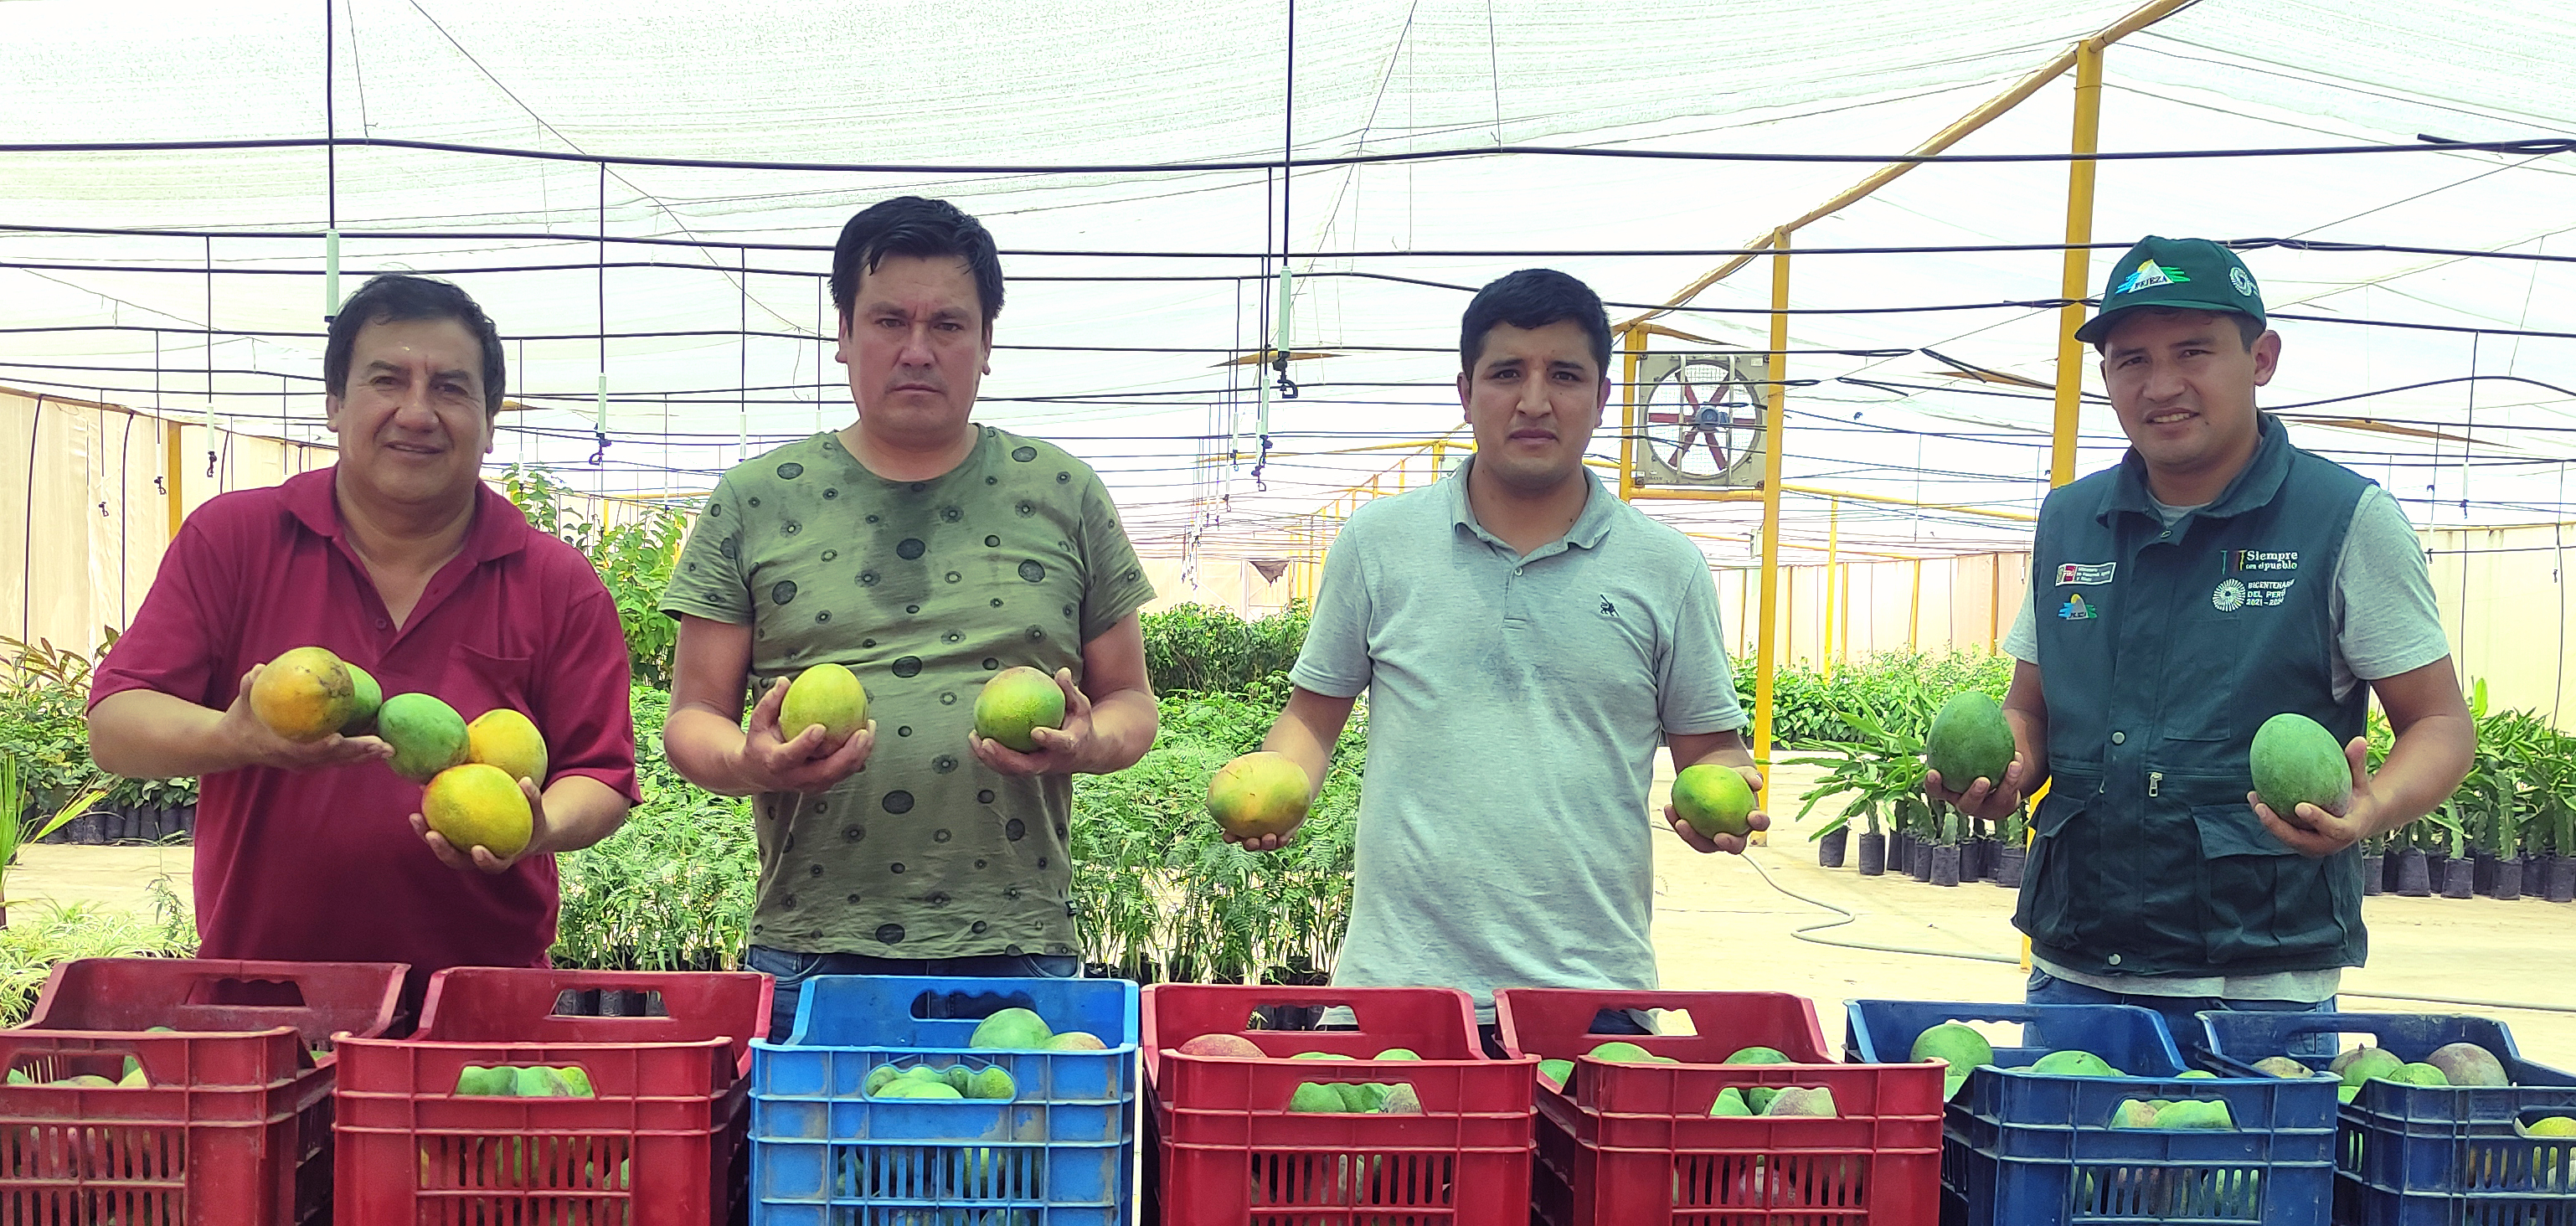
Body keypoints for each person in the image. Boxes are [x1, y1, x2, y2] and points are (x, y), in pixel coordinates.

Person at [1936, 236, 2475, 1020]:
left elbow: (2440, 723)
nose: (2162, 385)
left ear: (2262, 357)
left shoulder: (2344, 520)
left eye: (2194, 352)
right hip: (2073, 970)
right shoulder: (2071, 522)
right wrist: (2009, 766)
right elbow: (2032, 708)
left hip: (2256, 988)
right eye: (2131, 360)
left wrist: (2372, 806)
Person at [660, 196, 1161, 1039]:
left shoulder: (1065, 493)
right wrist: (756, 763)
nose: (918, 349)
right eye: (889, 319)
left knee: (1006, 1172)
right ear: (844, 335)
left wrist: (1088, 744)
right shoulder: (754, 500)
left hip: (1016, 946)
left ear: (987, 344)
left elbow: (1133, 706)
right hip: (814, 948)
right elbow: (689, 721)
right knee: (817, 1173)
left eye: (950, 325)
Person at [1239, 269, 1759, 1045]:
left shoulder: (1667, 568)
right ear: (1465, 390)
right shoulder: (1379, 546)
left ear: (1603, 397)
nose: (1535, 400)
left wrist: (1723, 794)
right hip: (1399, 988)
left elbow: (1710, 747)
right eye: (1507, 373)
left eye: (1565, 375)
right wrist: (1271, 791)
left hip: (1590, 996)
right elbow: (1311, 720)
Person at [88, 273, 641, 981]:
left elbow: (598, 774)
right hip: (263, 997)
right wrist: (233, 738)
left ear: (491, 418)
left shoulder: (554, 581)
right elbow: (117, 724)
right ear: (334, 404)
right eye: (387, 380)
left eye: (450, 388)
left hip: (479, 1002)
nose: (417, 413)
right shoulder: (236, 539)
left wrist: (540, 829)